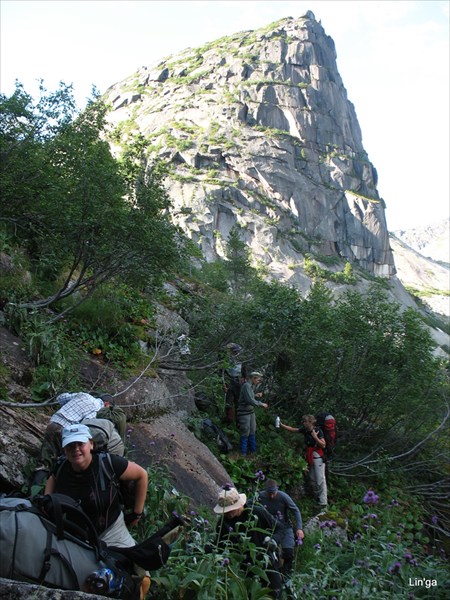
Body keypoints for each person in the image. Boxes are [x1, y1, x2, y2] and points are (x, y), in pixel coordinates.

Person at [45, 423, 148, 547]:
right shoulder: (61, 468)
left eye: (80, 444)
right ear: (64, 449)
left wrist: (137, 513)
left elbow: (142, 475)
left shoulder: (108, 463)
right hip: (77, 535)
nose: (76, 449)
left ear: (91, 444)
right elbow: (51, 488)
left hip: (112, 531)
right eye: (70, 445)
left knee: (132, 564)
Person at [213, 486, 283, 599]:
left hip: (265, 562)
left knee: (274, 594)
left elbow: (280, 528)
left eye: (230, 509)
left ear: (239, 504)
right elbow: (219, 545)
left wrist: (273, 540)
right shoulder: (224, 522)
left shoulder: (256, 513)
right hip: (243, 569)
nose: (227, 513)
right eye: (224, 511)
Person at [258, 479, 304, 577]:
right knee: (268, 552)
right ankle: (273, 574)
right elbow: (248, 505)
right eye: (269, 494)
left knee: (288, 552)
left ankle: (286, 575)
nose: (271, 496)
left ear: (277, 490)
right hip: (268, 528)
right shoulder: (260, 496)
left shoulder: (283, 497)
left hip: (284, 527)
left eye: (273, 493)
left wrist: (299, 528)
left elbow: (295, 511)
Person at [280, 415, 328, 507]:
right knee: (312, 478)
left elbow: (323, 445)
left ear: (311, 422)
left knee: (320, 479)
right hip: (310, 456)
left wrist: (315, 437)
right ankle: (318, 498)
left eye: (305, 421)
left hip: (317, 456)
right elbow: (293, 429)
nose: (304, 423)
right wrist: (282, 425)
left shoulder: (318, 431)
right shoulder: (305, 430)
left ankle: (323, 501)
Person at [236, 371, 268, 455]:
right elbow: (249, 400)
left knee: (252, 431)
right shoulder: (246, 386)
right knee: (245, 432)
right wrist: (261, 404)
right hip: (244, 413)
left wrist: (255, 395)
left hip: (251, 412)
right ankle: (243, 454)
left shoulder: (251, 386)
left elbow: (249, 396)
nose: (258, 381)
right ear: (253, 378)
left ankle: (253, 452)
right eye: (258, 379)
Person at [222, 342, 246, 423]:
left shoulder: (241, 359)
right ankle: (229, 419)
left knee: (238, 401)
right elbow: (222, 372)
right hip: (229, 379)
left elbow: (243, 369)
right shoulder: (225, 359)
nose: (236, 353)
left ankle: (239, 421)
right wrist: (224, 383)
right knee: (228, 401)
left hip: (238, 381)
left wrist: (243, 378)